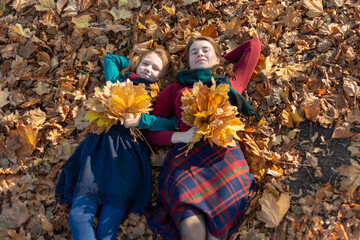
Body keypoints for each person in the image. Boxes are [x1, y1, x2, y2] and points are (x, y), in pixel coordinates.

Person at [144, 36, 262, 240]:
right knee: (190, 225)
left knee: (216, 232)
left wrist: (220, 59)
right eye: (194, 52)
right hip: (185, 159)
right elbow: (151, 132)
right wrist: (180, 136)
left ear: (217, 59)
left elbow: (254, 45)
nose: (199, 53)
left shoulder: (229, 84)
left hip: (224, 158)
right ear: (187, 61)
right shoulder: (174, 89)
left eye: (205, 50)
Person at [55, 47, 178, 240]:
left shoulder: (158, 97)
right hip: (99, 149)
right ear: (137, 64)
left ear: (161, 76)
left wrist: (142, 120)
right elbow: (110, 58)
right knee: (78, 216)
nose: (148, 69)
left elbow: (172, 123)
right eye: (145, 63)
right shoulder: (118, 83)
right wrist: (134, 62)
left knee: (107, 229)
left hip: (128, 157)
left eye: (156, 68)